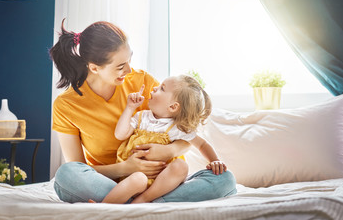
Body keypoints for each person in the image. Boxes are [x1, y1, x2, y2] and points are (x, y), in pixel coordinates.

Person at [50, 19, 237, 204]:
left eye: (129, 59)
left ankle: (127, 203)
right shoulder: (66, 105)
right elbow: (80, 168)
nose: (129, 69)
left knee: (225, 179)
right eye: (121, 66)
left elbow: (185, 130)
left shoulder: (143, 82)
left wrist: (167, 150)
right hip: (111, 182)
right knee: (67, 175)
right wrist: (125, 168)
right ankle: (147, 202)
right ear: (94, 68)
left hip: (165, 181)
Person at [100, 75, 226, 204]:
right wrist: (130, 108)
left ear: (173, 107)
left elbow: (202, 144)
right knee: (138, 179)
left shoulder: (177, 128)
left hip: (161, 181)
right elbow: (120, 135)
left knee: (181, 166)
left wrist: (214, 160)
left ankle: (144, 199)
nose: (154, 88)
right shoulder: (141, 117)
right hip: (135, 176)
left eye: (162, 88)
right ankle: (102, 208)